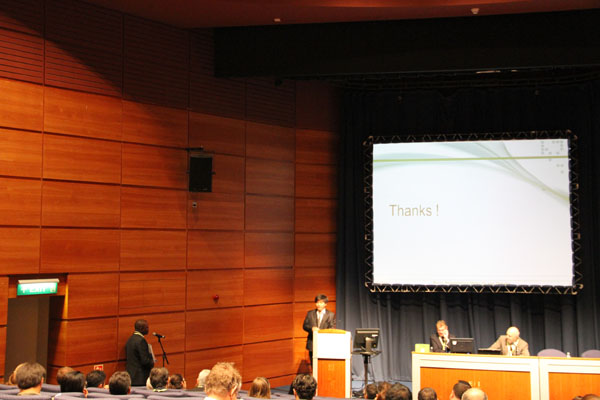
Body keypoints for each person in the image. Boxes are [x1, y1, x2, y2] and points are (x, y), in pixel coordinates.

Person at [302, 294, 336, 361]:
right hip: (312, 343)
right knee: (313, 363)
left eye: (321, 303)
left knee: (323, 364)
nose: (319, 304)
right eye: (317, 302)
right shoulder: (310, 313)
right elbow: (305, 326)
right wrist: (311, 328)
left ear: (325, 304)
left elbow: (332, 328)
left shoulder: (330, 315)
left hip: (325, 344)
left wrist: (321, 332)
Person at [125, 319, 155, 386]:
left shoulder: (130, 339)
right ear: (141, 328)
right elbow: (145, 361)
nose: (148, 329)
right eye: (147, 327)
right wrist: (152, 361)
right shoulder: (141, 341)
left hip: (131, 376)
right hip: (140, 377)